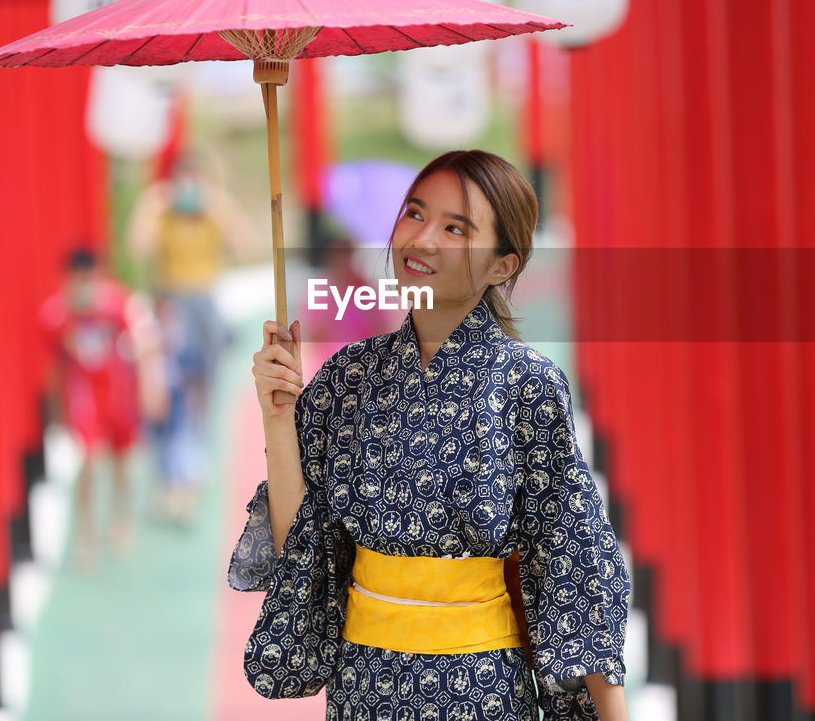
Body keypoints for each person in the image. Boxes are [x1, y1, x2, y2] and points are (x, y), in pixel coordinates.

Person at [231, 150, 632, 720]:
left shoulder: (530, 385)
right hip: (366, 686)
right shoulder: (348, 379)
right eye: (415, 215)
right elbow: (305, 545)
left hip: (484, 688)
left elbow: (575, 560)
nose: (422, 239)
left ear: (502, 266)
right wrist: (278, 418)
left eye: (455, 228)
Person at [128, 156, 254, 518]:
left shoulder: (212, 213)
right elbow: (138, 246)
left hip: (206, 306)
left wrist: (220, 206)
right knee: (172, 392)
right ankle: (174, 474)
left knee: (204, 392)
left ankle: (194, 466)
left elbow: (244, 245)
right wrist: (152, 203)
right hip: (172, 305)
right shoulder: (163, 214)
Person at [39, 245, 141, 569]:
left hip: (117, 392)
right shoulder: (56, 314)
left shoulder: (115, 305)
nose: (84, 284)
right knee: (89, 456)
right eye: (78, 278)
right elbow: (54, 365)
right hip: (83, 395)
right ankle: (85, 533)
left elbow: (134, 347)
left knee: (120, 461)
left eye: (90, 277)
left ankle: (121, 519)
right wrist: (55, 409)